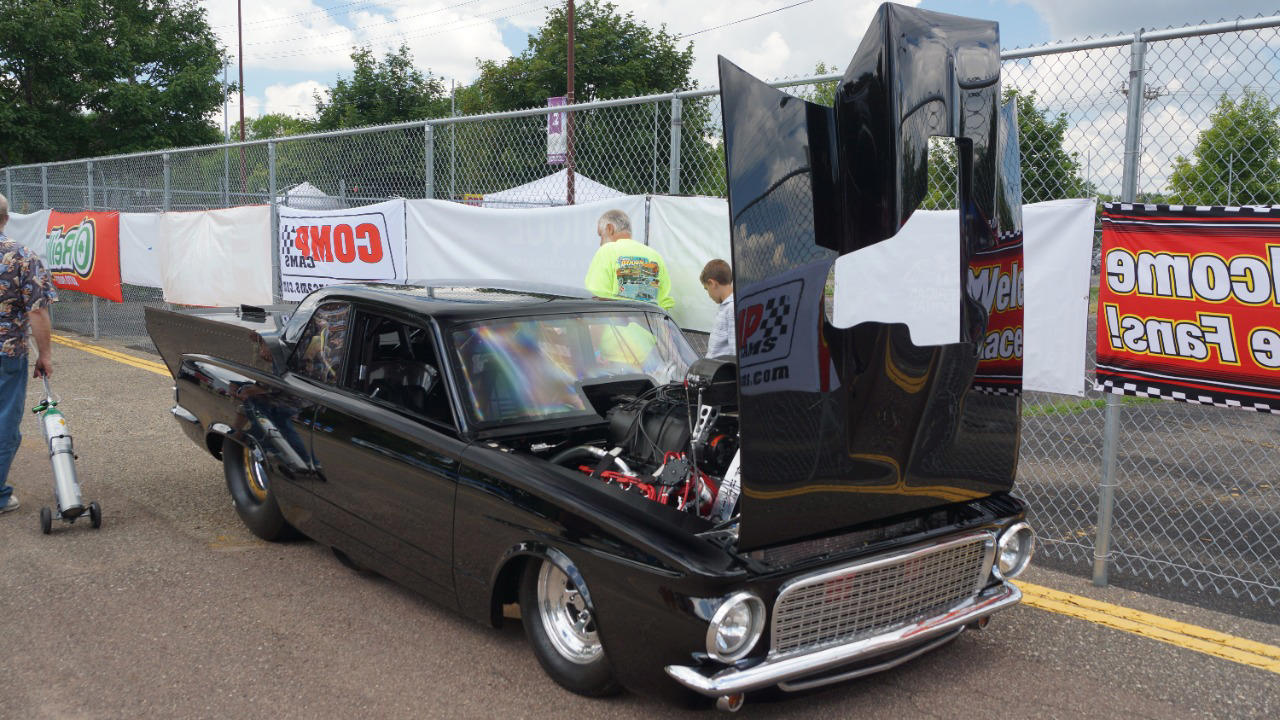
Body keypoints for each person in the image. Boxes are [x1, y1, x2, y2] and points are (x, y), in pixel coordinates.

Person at [0, 192, 57, 515]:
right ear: (6, 219)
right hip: (7, 351)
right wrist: (45, 355)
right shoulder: (23, 257)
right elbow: (37, 312)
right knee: (4, 420)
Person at [584, 209, 675, 312]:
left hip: (615, 327)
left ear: (610, 228)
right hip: (651, 326)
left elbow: (598, 298)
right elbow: (664, 302)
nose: (600, 243)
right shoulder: (654, 255)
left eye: (601, 235)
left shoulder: (607, 251)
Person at [700, 258, 736, 358]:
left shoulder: (732, 308)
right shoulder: (726, 306)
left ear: (712, 283)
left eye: (707, 289)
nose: (709, 294)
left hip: (723, 370)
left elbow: (735, 352)